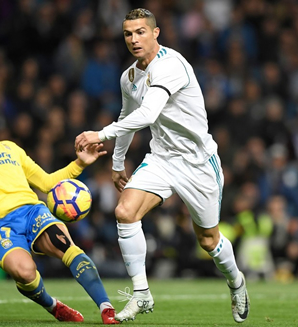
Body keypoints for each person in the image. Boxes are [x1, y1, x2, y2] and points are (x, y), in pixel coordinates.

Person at [75, 8, 250, 323]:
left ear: (156, 33)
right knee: (124, 212)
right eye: (128, 34)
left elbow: (146, 115)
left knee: (208, 240)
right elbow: (126, 121)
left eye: (141, 32)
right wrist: (116, 163)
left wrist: (98, 135)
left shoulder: (171, 65)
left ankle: (236, 280)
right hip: (162, 158)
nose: (134, 39)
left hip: (198, 163)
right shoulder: (129, 77)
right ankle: (141, 294)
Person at [0, 94, 119, 324]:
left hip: (31, 210)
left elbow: (46, 183)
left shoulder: (10, 148)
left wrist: (80, 164)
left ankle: (106, 307)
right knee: (24, 273)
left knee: (65, 246)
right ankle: (53, 305)